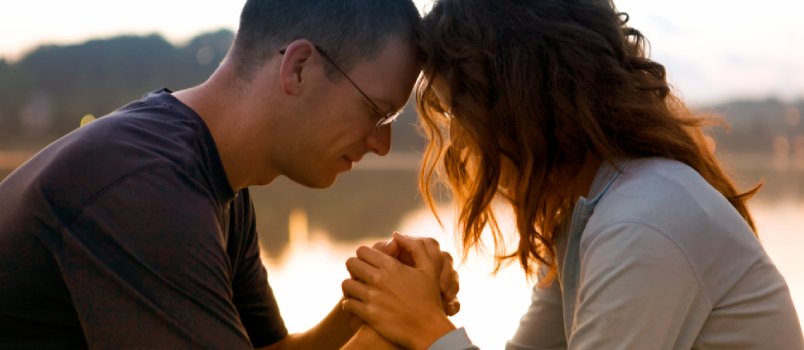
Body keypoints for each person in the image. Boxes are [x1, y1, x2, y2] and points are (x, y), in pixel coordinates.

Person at [341, 0, 804, 349]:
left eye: (457, 112)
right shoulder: (589, 213)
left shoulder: (644, 221)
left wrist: (426, 328)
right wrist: (403, 307)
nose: (459, 143)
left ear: (517, 101)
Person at [0, 0, 460, 349]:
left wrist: (366, 305)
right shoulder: (145, 188)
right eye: (377, 113)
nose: (381, 146)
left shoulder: (214, 183)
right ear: (298, 68)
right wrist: (396, 336)